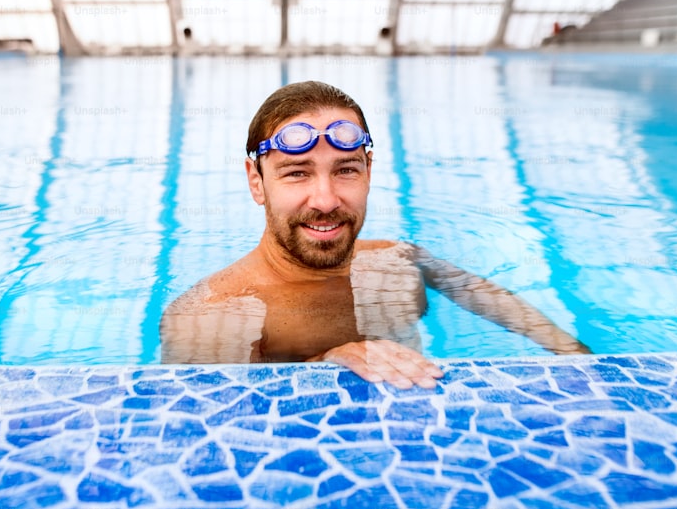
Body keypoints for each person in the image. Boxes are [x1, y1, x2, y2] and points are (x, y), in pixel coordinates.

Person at [161, 81, 591, 389]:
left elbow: (484, 295)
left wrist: (575, 355)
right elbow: (210, 435)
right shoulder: (210, 314)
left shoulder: (397, 261)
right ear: (256, 181)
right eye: (297, 173)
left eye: (345, 169)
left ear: (369, 171)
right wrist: (321, 365)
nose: (326, 200)